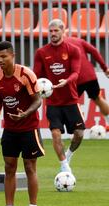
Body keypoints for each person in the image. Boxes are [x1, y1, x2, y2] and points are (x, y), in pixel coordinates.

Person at [0, 41, 44, 206]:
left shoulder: (26, 74)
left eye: (4, 56)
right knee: (9, 168)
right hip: (9, 129)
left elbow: (38, 100)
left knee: (29, 167)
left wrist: (25, 113)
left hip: (29, 128)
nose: (0, 60)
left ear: (13, 56)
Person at [34, 19, 84, 173]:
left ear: (63, 31)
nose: (53, 34)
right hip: (53, 102)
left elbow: (76, 73)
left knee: (79, 134)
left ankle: (68, 155)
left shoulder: (73, 50)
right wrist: (39, 87)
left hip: (70, 99)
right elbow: (36, 75)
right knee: (56, 133)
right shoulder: (41, 52)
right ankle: (64, 166)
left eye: (56, 31)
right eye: (51, 31)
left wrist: (67, 81)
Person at [66, 36, 109, 130]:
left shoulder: (59, 46)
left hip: (76, 78)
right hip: (90, 75)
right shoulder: (78, 40)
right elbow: (94, 51)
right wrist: (104, 68)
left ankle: (76, 129)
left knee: (71, 103)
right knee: (98, 98)